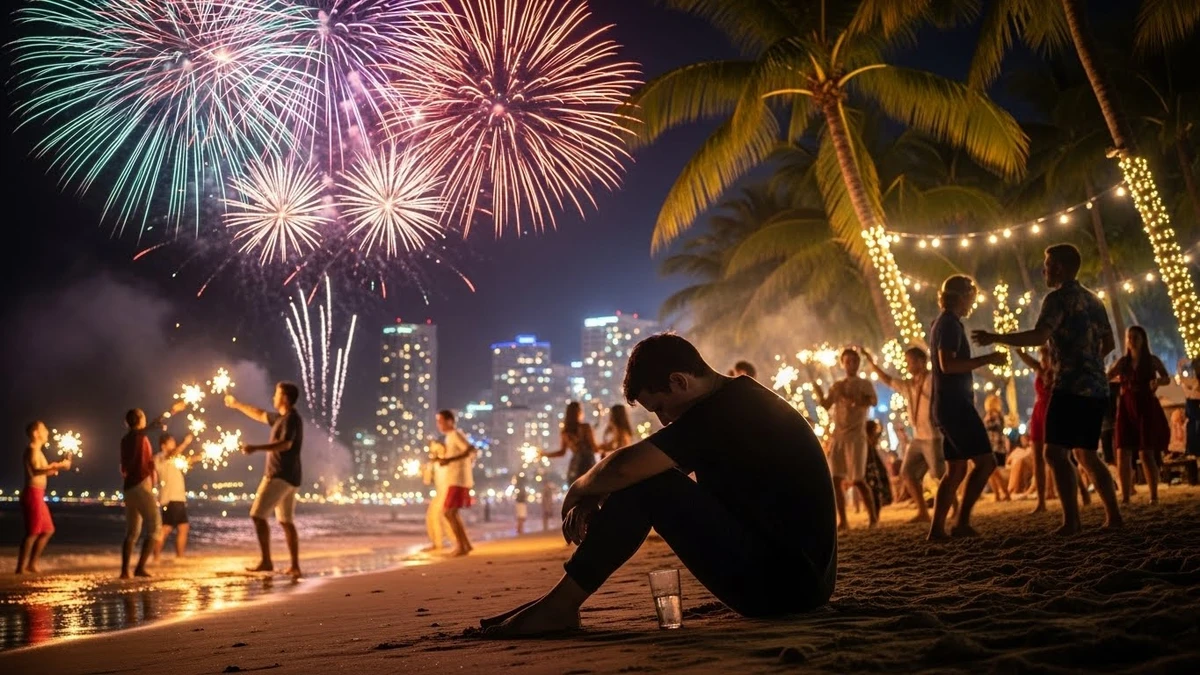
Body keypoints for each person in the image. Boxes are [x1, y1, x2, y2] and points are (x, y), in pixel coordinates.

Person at [479, 334, 836, 637]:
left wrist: (579, 491)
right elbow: (632, 468)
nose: (664, 420)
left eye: (662, 407)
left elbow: (623, 470)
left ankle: (561, 605)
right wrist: (597, 492)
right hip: (797, 582)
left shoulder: (722, 412)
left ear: (680, 381)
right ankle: (557, 602)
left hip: (783, 590)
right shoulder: (737, 403)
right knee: (645, 480)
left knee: (646, 486)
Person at [973, 244, 1122, 534]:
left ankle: (1072, 521)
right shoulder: (1094, 300)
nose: (1044, 270)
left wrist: (997, 337)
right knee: (1087, 454)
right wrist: (1089, 361)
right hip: (1096, 387)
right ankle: (1113, 517)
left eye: (1048, 265)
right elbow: (1110, 344)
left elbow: (1040, 335)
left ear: (1061, 269)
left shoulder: (1057, 299)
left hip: (1069, 386)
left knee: (1054, 453)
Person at [928, 276, 1006, 541]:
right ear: (960, 297)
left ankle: (937, 530)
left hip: (945, 404)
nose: (972, 301)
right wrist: (989, 359)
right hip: (955, 405)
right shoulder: (949, 324)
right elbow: (947, 365)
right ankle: (961, 523)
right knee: (986, 462)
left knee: (956, 470)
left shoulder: (944, 323)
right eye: (971, 296)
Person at [225, 382, 304, 577]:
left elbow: (285, 444)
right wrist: (236, 404)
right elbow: (259, 413)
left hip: (279, 476)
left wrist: (255, 448)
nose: (273, 398)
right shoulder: (282, 418)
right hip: (291, 478)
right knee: (286, 521)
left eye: (276, 394)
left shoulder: (291, 419)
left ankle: (267, 562)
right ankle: (295, 566)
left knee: (258, 515)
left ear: (284, 397)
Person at [863, 347, 945, 523]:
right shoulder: (909, 385)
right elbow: (888, 380)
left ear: (921, 362)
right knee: (907, 473)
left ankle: (956, 508)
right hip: (917, 438)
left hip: (932, 437)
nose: (907, 365)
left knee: (940, 476)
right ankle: (923, 512)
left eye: (910, 361)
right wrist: (872, 364)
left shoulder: (932, 380)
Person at [121, 401, 187, 578]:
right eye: (143, 416)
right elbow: (157, 423)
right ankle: (140, 567)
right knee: (156, 528)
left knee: (132, 531)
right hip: (141, 486)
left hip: (128, 488)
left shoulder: (125, 439)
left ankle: (124, 571)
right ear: (139, 420)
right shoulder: (137, 435)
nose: (146, 419)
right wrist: (173, 410)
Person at [814, 348, 878, 530]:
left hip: (856, 436)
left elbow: (871, 401)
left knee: (858, 479)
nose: (851, 365)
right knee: (835, 479)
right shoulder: (837, 385)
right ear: (842, 364)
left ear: (858, 363)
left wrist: (849, 396)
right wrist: (818, 391)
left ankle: (873, 518)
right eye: (847, 361)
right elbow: (826, 405)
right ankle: (843, 520)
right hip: (838, 436)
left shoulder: (864, 384)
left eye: (854, 361)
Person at [1107, 326, 1171, 504]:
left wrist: (1158, 381)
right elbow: (1108, 376)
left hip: (1146, 405)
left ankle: (1153, 495)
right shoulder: (1123, 362)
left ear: (1143, 339)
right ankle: (1125, 496)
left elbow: (1166, 377)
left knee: (1146, 452)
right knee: (1122, 451)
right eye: (1129, 337)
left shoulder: (1151, 361)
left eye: (1135, 337)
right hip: (1126, 406)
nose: (1131, 340)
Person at [16, 421, 72, 574]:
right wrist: (57, 466)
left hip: (39, 494)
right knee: (32, 532)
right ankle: (20, 568)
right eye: (44, 429)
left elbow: (42, 471)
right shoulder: (32, 450)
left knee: (47, 530)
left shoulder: (38, 451)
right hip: (32, 493)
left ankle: (31, 564)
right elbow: (35, 470)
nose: (47, 432)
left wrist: (56, 467)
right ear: (35, 433)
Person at [1015, 346, 1054, 512]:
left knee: (1054, 456)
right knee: (1037, 457)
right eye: (1042, 358)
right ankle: (1041, 501)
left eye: (1046, 358)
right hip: (1038, 415)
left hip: (1052, 413)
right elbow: (1025, 357)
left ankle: (1080, 490)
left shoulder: (1058, 372)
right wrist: (1016, 344)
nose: (1043, 361)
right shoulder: (1038, 369)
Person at [152, 432, 200, 561]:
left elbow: (187, 461)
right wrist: (186, 442)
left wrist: (202, 456)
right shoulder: (160, 457)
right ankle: (156, 557)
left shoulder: (172, 458)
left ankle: (179, 556)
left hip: (177, 498)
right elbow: (172, 455)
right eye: (171, 442)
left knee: (183, 527)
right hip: (170, 498)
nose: (174, 444)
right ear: (163, 445)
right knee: (166, 528)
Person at [435, 410, 475, 557]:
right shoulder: (449, 438)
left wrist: (449, 460)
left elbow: (470, 449)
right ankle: (466, 545)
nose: (438, 425)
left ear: (450, 421)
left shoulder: (456, 434)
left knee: (448, 512)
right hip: (455, 478)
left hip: (459, 479)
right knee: (452, 513)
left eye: (440, 421)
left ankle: (461, 546)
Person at [543, 402, 598, 485]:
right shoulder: (585, 427)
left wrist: (544, 454)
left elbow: (561, 452)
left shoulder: (565, 432)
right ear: (579, 412)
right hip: (588, 461)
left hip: (575, 463)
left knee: (576, 486)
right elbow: (594, 448)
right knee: (590, 484)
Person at [423, 438, 451, 552]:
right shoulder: (433, 464)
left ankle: (439, 543)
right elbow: (426, 481)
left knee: (436, 516)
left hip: (447, 492)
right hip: (440, 492)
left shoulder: (447, 461)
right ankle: (440, 542)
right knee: (437, 517)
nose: (435, 450)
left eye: (437, 447)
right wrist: (426, 470)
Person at [983, 395, 1012, 502]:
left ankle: (1004, 493)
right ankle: (999, 495)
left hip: (995, 447)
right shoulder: (997, 415)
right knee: (992, 472)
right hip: (997, 447)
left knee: (994, 472)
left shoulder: (993, 415)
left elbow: (994, 427)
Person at [863, 420, 893, 516]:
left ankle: (875, 513)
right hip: (872, 466)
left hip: (873, 466)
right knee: (874, 490)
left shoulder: (865, 441)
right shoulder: (866, 441)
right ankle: (875, 513)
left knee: (874, 490)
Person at [1179, 357, 1200, 457]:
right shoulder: (1193, 381)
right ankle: (1192, 450)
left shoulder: (1194, 382)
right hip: (1193, 406)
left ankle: (1193, 450)